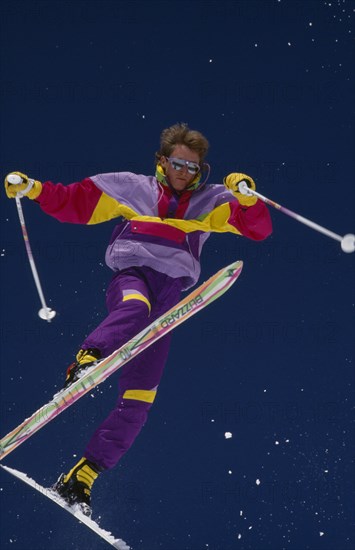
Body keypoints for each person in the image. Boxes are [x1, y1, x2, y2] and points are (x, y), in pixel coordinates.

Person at [4, 123, 272, 516]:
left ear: (202, 171)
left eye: (193, 168)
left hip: (170, 299)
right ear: (162, 161)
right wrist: (32, 188)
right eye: (178, 163)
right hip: (134, 277)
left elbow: (258, 230)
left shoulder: (213, 201)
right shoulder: (132, 188)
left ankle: (81, 477)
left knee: (141, 397)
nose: (185, 172)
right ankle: (86, 360)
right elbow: (75, 201)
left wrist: (248, 198)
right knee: (134, 308)